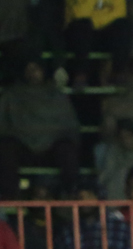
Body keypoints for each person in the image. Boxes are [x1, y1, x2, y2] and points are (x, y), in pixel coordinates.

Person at [0, 58, 81, 199]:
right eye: (28, 69)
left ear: (43, 70)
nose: (32, 73)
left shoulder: (57, 95)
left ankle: (71, 194)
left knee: (67, 150)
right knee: (6, 149)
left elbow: (70, 126)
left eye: (35, 69)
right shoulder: (11, 95)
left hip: (51, 149)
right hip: (23, 147)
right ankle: (10, 198)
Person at [64, 0, 133, 86]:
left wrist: (98, 21)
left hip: (104, 32)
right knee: (83, 25)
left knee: (124, 26)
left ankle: (118, 72)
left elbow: (119, 15)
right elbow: (79, 14)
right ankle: (80, 74)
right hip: (78, 35)